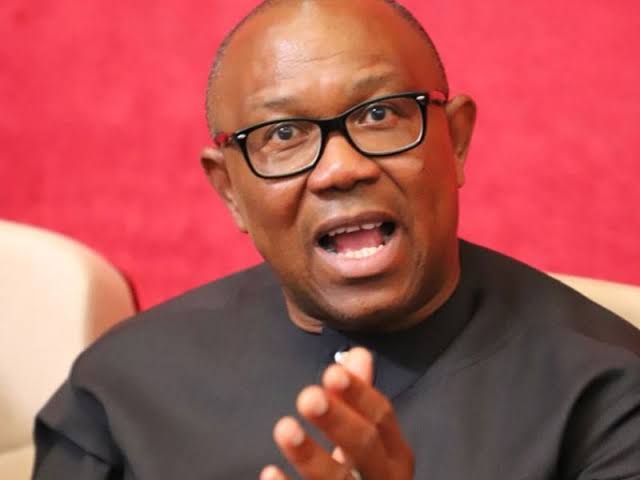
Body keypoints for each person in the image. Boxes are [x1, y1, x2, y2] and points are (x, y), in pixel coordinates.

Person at [33, 0, 640, 479]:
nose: (340, 169)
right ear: (230, 191)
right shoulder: (119, 393)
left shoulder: (611, 390)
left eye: (379, 114)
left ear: (455, 141)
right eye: (283, 134)